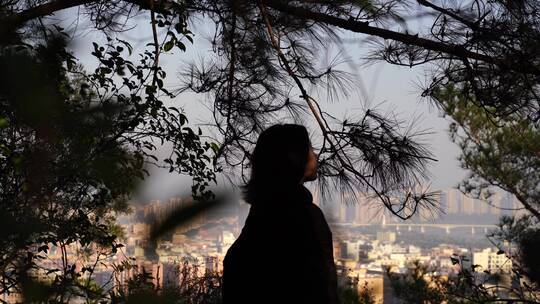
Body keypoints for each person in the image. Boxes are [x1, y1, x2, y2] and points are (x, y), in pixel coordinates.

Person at [222, 124, 338, 304]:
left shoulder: (261, 213)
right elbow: (321, 286)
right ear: (293, 158)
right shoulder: (306, 215)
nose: (315, 154)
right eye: (309, 148)